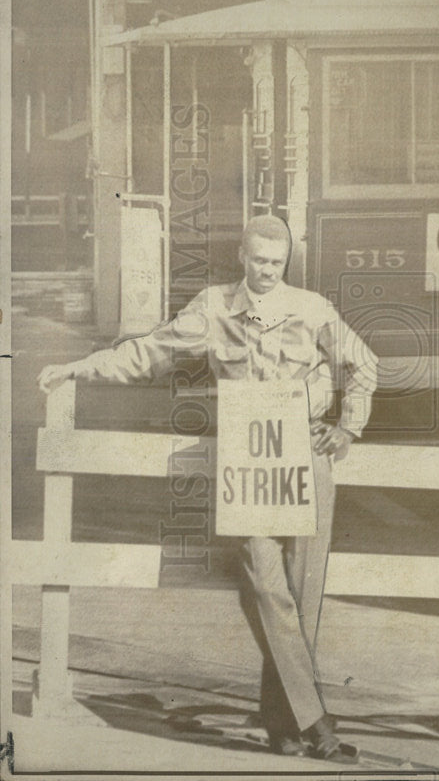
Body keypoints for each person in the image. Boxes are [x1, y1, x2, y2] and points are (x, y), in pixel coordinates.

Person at [38, 214, 379, 763]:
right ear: (242, 257)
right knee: (269, 590)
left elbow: (364, 364)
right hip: (246, 464)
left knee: (302, 597)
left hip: (305, 462)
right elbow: (147, 352)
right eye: (259, 260)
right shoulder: (214, 309)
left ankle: (282, 728)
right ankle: (318, 725)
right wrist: (80, 367)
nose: (267, 271)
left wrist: (347, 427)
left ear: (286, 261)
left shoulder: (312, 309)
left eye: (277, 262)